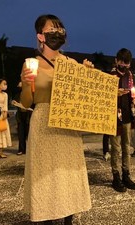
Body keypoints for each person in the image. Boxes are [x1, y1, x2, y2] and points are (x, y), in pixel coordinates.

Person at [20, 14, 92, 224]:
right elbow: (26, 103)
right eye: (52, 28)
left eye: (60, 28)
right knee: (46, 177)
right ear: (40, 36)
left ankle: (68, 218)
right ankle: (46, 217)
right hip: (43, 123)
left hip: (67, 125)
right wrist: (25, 83)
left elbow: (82, 97)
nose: (58, 32)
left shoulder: (71, 63)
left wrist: (87, 75)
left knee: (67, 175)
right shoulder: (31, 64)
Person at [109, 48, 135, 192]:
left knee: (127, 147)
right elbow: (102, 96)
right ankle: (116, 176)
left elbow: (133, 93)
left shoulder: (130, 75)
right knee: (116, 148)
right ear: (116, 61)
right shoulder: (111, 75)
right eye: (121, 62)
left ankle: (126, 174)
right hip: (113, 117)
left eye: (126, 63)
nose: (124, 66)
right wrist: (115, 92)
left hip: (127, 115)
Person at [12, 82, 32, 155]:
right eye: (19, 85)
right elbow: (14, 101)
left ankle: (30, 150)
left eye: (21, 85)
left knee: (29, 134)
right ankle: (22, 149)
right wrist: (13, 102)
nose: (19, 86)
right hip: (20, 116)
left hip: (28, 115)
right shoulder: (18, 94)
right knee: (21, 134)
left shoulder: (30, 94)